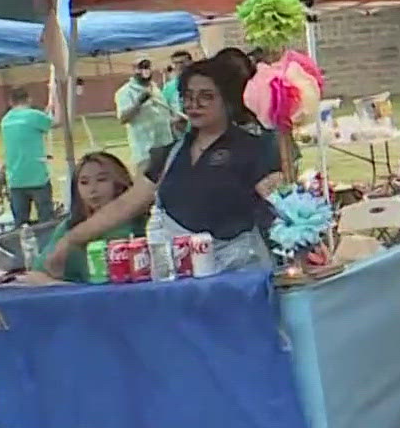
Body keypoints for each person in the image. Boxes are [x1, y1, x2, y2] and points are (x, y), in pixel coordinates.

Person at [45, 57, 281, 275]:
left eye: (206, 96)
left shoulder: (253, 149)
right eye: (188, 97)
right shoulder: (170, 153)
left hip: (238, 276)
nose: (194, 104)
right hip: (178, 279)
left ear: (227, 100)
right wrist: (71, 239)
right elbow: (125, 205)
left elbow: (281, 208)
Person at [33, 152, 142, 282]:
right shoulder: (70, 226)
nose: (92, 189)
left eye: (101, 180)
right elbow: (37, 273)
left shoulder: (139, 224)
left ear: (118, 183)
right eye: (84, 182)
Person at [0, 88, 56, 226]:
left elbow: (27, 126)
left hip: (15, 179)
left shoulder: (5, 120)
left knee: (20, 223)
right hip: (37, 177)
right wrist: (56, 104)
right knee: (46, 221)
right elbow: (57, 122)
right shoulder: (34, 116)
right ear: (29, 99)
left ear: (11, 102)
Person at [115, 58, 176, 165]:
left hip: (165, 143)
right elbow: (123, 118)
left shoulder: (155, 88)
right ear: (134, 70)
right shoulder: (125, 92)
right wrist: (139, 102)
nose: (145, 70)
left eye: (147, 66)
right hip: (145, 149)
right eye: (141, 67)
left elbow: (164, 113)